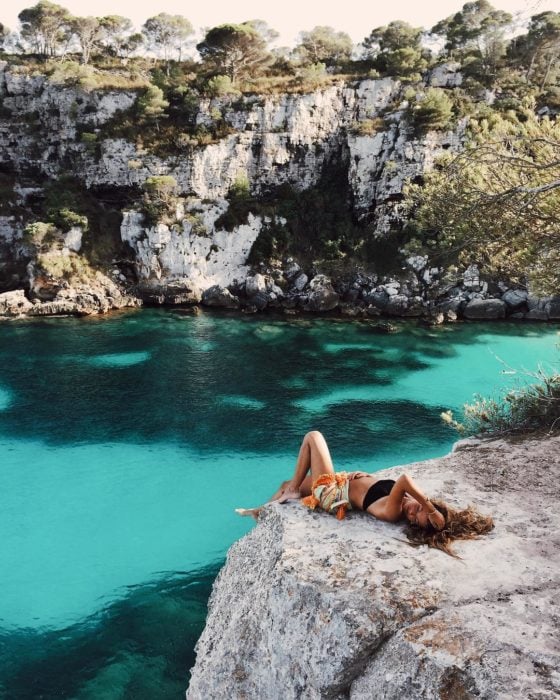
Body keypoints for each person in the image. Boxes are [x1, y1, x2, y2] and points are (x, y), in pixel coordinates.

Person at [236, 431, 493, 557]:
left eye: (415, 521)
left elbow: (403, 480)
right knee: (285, 482)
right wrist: (361, 475)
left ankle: (292, 492)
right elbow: (380, 487)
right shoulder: (402, 501)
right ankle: (261, 513)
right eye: (419, 513)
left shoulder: (393, 513)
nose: (412, 515)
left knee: (313, 437)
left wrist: (429, 507)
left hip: (332, 493)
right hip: (341, 483)